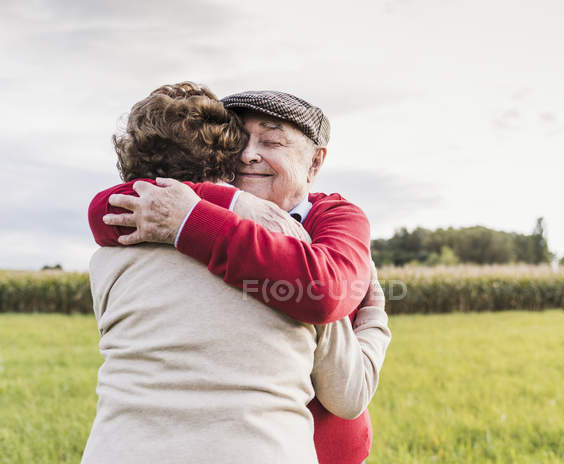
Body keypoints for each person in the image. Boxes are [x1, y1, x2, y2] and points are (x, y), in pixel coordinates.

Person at [83, 82, 390, 464]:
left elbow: (323, 289)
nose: (248, 156)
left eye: (271, 143)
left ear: (315, 163)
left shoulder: (330, 221)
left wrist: (191, 219)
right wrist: (375, 315)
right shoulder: (159, 215)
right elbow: (349, 390)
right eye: (239, 142)